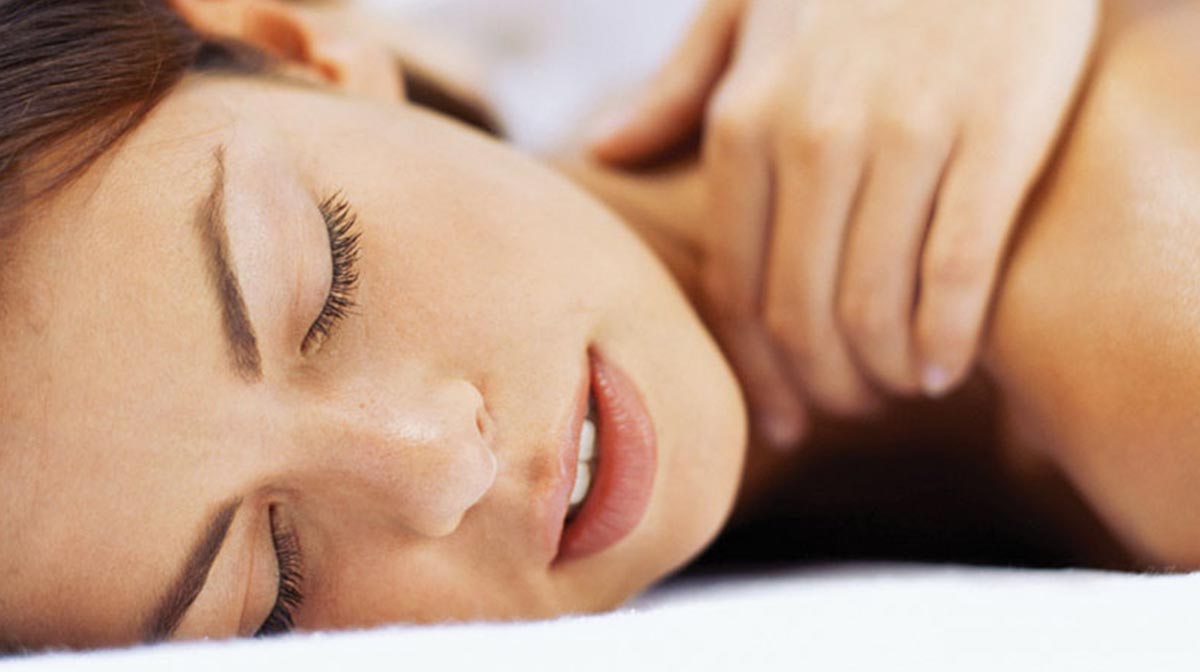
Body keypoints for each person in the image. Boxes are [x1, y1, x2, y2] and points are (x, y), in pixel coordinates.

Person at [2, 0, 1198, 652]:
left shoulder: (1144, 274)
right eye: (273, 587)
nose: (439, 465)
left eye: (327, 280)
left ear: (301, 45)